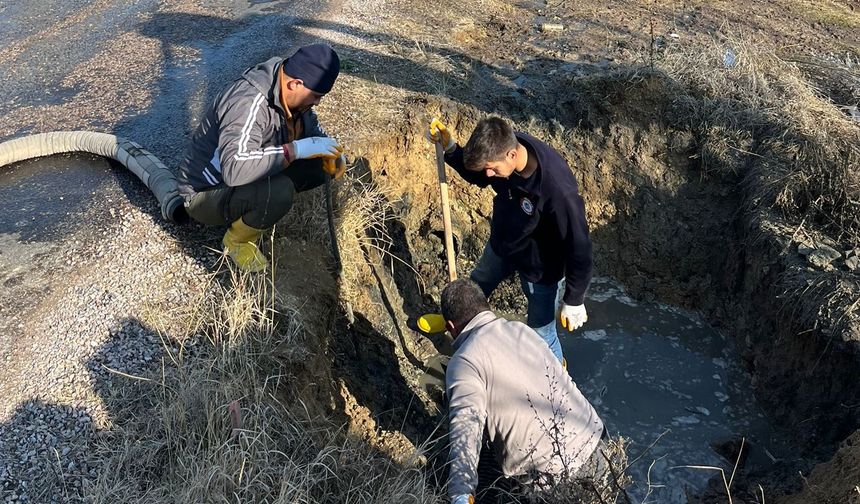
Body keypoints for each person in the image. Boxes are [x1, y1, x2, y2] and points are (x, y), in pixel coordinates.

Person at [427, 117, 593, 362]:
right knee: (476, 286)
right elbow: (482, 176)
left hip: (541, 266)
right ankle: (454, 320)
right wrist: (452, 149)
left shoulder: (557, 189)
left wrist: (575, 298)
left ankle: (556, 375)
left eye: (493, 168)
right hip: (503, 245)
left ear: (512, 155)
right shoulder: (502, 152)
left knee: (541, 333)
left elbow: (579, 245)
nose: (489, 174)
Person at [178, 44, 346, 272]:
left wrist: (333, 152)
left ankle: (258, 209)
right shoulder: (248, 103)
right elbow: (235, 169)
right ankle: (238, 240)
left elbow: (312, 130)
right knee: (278, 191)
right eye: (316, 96)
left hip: (239, 178)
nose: (317, 102)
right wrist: (293, 150)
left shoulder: (289, 93)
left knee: (319, 164)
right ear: (295, 84)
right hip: (206, 192)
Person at [442, 279, 605, 503]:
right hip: (597, 445)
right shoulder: (521, 329)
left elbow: (465, 430)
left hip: (552, 480)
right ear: (485, 306)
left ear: (450, 327)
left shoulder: (464, 362)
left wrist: (461, 492)